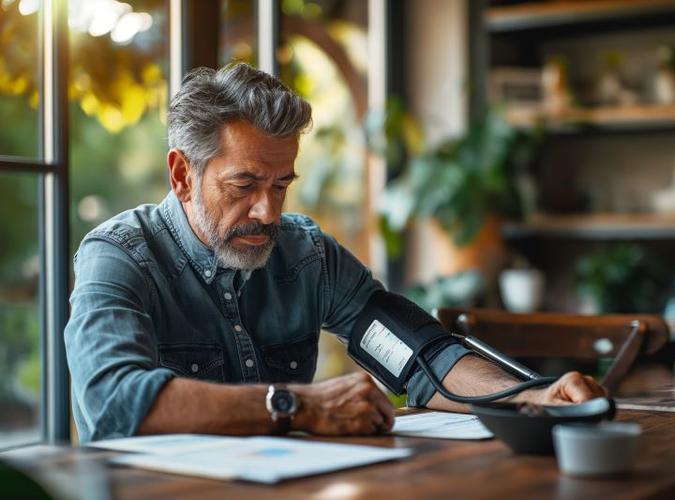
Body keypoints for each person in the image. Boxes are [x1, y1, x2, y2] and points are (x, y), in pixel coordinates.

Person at [64, 63, 606, 443]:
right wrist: (302, 405)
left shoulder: (305, 254)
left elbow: (423, 357)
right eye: (244, 185)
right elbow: (113, 402)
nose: (267, 212)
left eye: (280, 185)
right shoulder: (118, 256)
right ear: (183, 174)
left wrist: (531, 396)